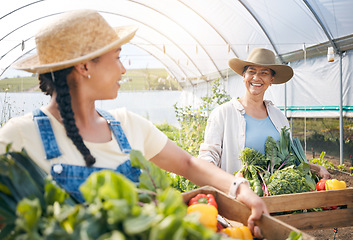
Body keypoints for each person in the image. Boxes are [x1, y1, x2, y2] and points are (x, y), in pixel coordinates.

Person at [0, 9, 267, 237]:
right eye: (116, 57)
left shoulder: (127, 125)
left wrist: (240, 187)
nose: (123, 68)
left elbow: (188, 164)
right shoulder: (19, 135)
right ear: (84, 66)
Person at [198, 48, 331, 179]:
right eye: (251, 71)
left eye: (264, 73)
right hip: (236, 195)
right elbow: (208, 155)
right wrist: (227, 181)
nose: (256, 77)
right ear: (244, 76)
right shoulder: (223, 113)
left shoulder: (279, 117)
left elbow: (290, 160)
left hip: (275, 197)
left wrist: (317, 168)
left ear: (271, 79)